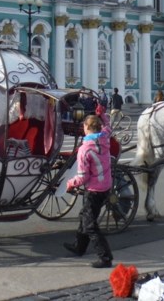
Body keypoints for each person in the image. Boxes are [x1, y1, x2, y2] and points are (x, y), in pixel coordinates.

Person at [63, 113, 113, 268]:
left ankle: (105, 257)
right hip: (105, 186)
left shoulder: (85, 149)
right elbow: (108, 127)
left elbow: (82, 177)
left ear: (86, 127)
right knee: (85, 215)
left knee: (90, 224)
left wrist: (70, 183)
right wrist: (103, 115)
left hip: (94, 189)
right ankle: (79, 247)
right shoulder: (104, 137)